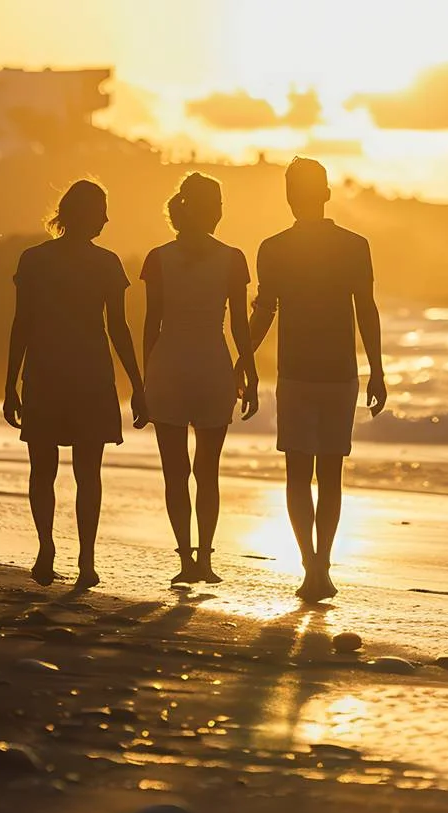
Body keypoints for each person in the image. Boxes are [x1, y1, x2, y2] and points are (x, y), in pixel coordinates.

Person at [247, 157, 386, 602]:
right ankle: (319, 566)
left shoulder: (273, 247)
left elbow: (264, 311)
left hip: (299, 374)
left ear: (291, 196)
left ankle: (312, 566)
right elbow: (366, 307)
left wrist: (243, 359)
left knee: (297, 472)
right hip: (337, 373)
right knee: (329, 473)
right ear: (325, 194)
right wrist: (377, 370)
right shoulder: (353, 245)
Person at [3, 180, 147, 589]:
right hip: (90, 377)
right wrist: (137, 384)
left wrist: (10, 384)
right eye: (102, 209)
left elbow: (22, 325)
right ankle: (86, 560)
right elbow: (117, 328)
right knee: (89, 473)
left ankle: (46, 547)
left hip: (44, 373)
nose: (106, 218)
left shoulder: (34, 259)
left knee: (41, 470)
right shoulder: (106, 263)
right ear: (86, 214)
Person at [141, 173, 259, 584]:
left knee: (174, 470)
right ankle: (205, 561)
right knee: (207, 471)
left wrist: (143, 381)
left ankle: (185, 562)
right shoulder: (233, 258)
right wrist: (251, 372)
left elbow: (150, 325)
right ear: (214, 210)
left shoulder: (158, 257)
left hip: (167, 365)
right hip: (212, 366)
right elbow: (240, 327)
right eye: (220, 203)